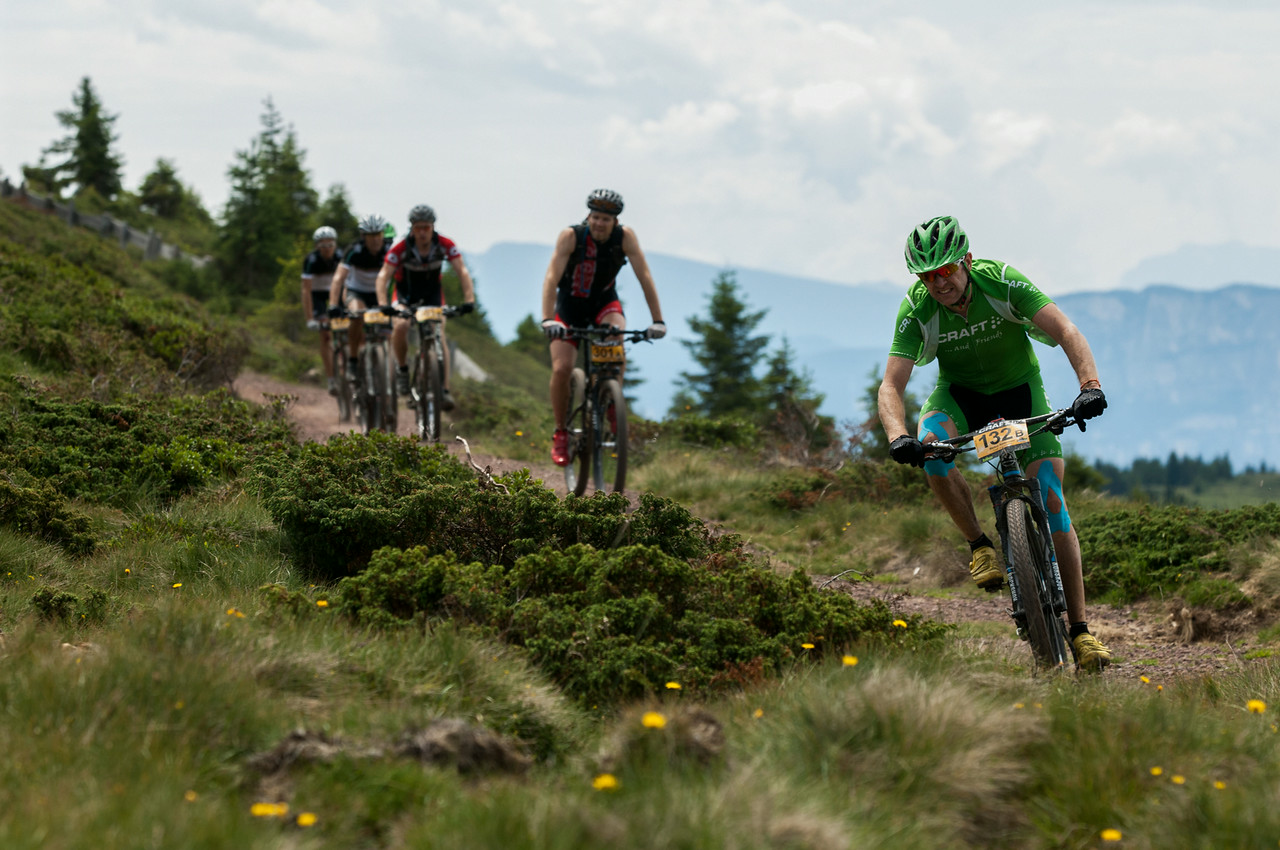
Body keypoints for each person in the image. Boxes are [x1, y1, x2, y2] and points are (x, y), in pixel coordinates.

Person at [877, 215, 1111, 671]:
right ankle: (980, 544)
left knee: (1052, 500)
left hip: (1021, 393)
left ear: (965, 260)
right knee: (934, 455)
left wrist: (1090, 385)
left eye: (945, 270)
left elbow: (1065, 330)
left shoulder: (1001, 282)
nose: (937, 283)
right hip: (960, 398)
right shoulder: (917, 307)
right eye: (927, 275)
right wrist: (898, 436)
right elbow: (891, 385)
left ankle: (1081, 632)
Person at [539, 189, 666, 466]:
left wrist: (658, 320)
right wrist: (548, 318)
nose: (599, 223)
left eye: (606, 219)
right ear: (588, 217)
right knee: (561, 368)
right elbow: (551, 278)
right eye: (595, 217)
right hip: (569, 309)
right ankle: (561, 431)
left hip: (604, 305)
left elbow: (644, 276)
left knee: (616, 338)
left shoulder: (625, 238)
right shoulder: (571, 236)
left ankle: (611, 403)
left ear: (615, 222)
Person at [376, 204, 476, 410]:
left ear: (433, 227)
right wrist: (383, 304)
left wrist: (469, 300)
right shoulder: (401, 247)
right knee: (401, 326)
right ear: (412, 228)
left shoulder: (445, 244)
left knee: (439, 333)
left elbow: (462, 271)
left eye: (426, 228)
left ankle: (445, 390)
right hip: (405, 294)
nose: (422, 232)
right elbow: (383, 276)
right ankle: (403, 370)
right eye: (418, 228)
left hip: (432, 295)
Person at [328, 215, 390, 382]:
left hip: (379, 294)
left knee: (392, 326)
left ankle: (388, 367)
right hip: (357, 292)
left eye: (379, 234)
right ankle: (353, 361)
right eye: (371, 236)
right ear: (364, 237)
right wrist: (333, 304)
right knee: (356, 315)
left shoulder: (389, 251)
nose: (376, 239)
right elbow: (338, 278)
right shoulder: (354, 250)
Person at [301, 226, 341, 394]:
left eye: (330, 244)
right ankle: (331, 378)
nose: (327, 249)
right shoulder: (311, 261)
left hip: (335, 293)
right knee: (325, 334)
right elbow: (306, 291)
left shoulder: (341, 257)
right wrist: (310, 318)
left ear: (335, 244)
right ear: (317, 246)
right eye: (323, 245)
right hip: (317, 295)